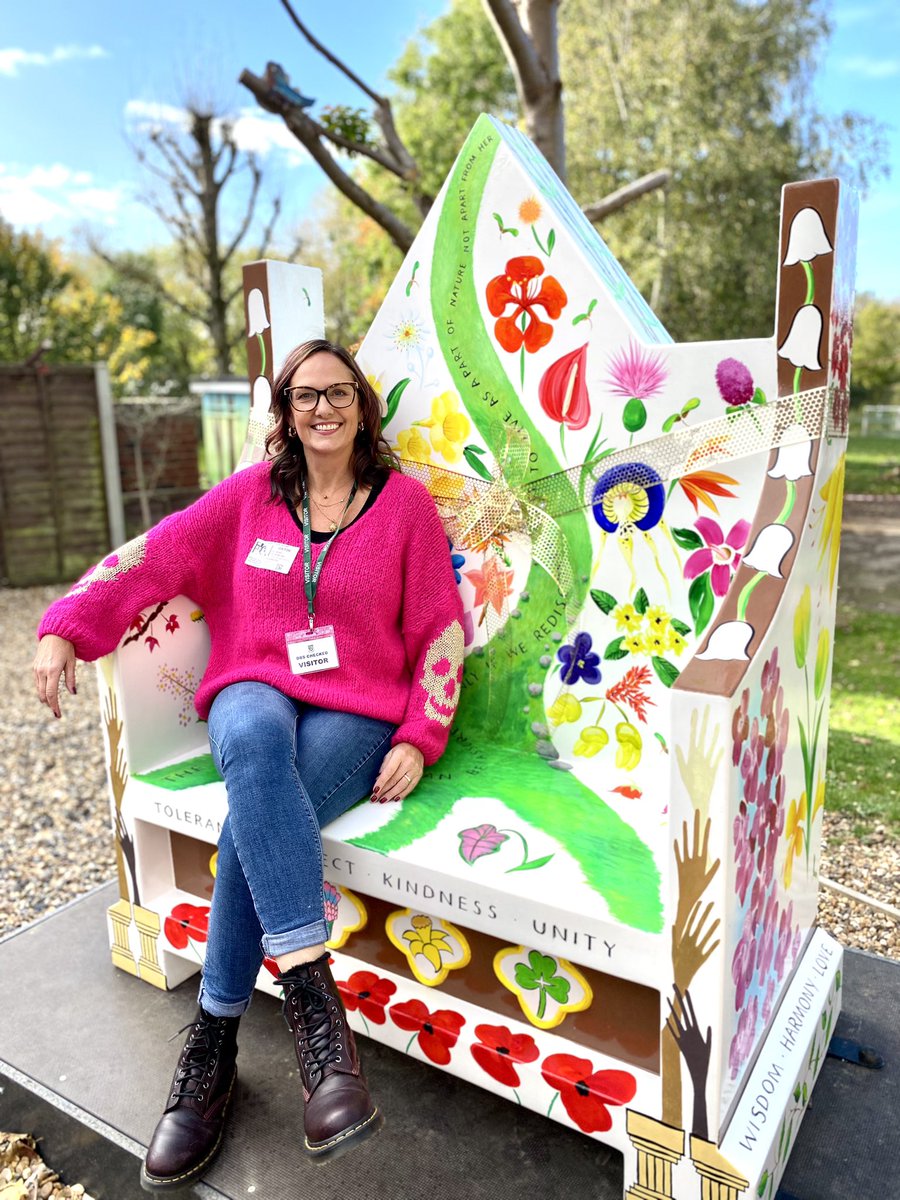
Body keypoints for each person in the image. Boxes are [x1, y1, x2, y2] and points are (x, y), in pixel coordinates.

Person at [33, 339, 465, 1191]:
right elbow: (149, 558)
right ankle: (313, 1001)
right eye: (306, 396)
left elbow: (442, 628)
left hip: (357, 708)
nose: (324, 409)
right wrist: (63, 627)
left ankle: (213, 1046)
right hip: (253, 689)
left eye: (340, 393)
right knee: (255, 742)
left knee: (252, 822)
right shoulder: (247, 499)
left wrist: (421, 733)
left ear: (363, 406)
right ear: (285, 412)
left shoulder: (406, 508)